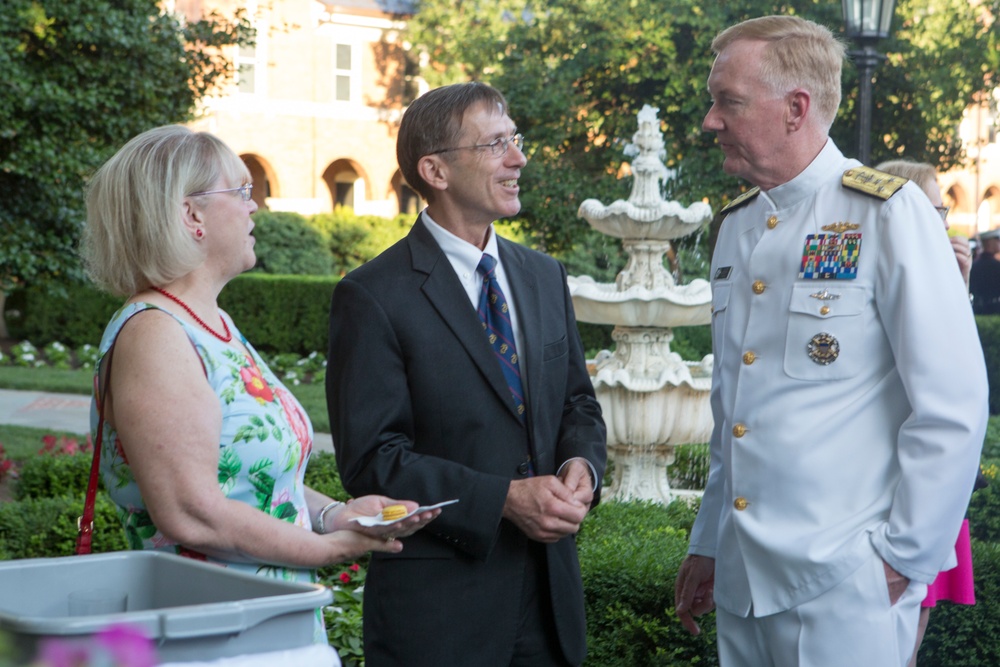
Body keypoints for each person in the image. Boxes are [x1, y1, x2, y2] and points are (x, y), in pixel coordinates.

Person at [673, 16, 989, 666]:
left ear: (796, 109)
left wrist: (902, 560)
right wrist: (708, 541)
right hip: (741, 581)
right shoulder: (736, 227)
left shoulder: (887, 213)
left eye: (727, 101)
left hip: (844, 584)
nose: (710, 120)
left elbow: (953, 406)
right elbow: (732, 413)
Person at [80, 125, 440, 655]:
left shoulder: (209, 323)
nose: (256, 208)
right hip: (207, 636)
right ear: (191, 215)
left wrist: (335, 514)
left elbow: (252, 480)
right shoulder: (155, 334)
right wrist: (328, 549)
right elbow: (192, 512)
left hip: (261, 624)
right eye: (241, 191)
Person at [326, 82, 607, 667]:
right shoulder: (371, 295)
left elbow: (577, 402)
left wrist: (583, 466)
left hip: (552, 611)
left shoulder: (543, 275)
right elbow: (372, 459)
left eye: (515, 140)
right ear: (435, 170)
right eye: (495, 145)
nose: (518, 158)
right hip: (439, 619)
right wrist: (501, 499)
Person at [877, 159, 978, 666]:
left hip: (935, 479)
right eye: (935, 207)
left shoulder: (942, 268)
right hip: (896, 479)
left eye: (943, 208)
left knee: (921, 609)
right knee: (903, 614)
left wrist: (959, 284)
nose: (943, 219)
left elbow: (958, 377)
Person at [971, 228, 1000, 314]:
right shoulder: (996, 265)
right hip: (993, 310)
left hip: (977, 309)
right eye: (998, 240)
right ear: (989, 243)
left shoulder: (974, 264)